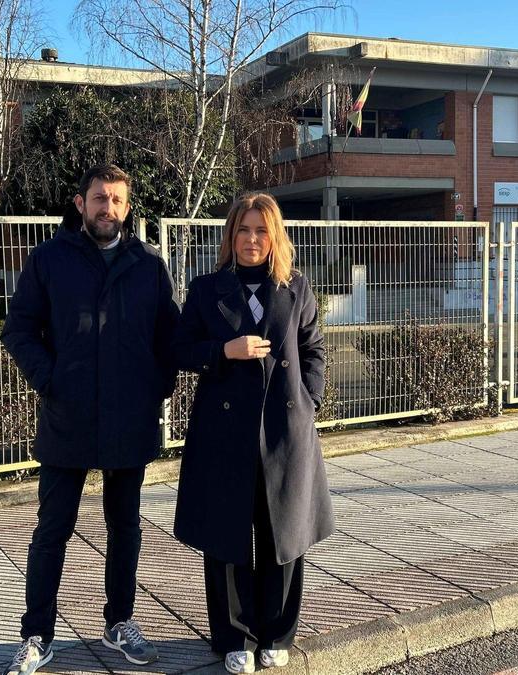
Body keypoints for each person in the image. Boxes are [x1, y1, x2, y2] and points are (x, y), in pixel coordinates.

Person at [0, 164, 179, 675]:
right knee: (51, 530)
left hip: (129, 419)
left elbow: (169, 337)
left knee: (125, 527)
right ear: (80, 203)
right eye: (99, 198)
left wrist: (155, 390)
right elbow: (18, 331)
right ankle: (37, 635)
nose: (108, 208)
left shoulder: (147, 264)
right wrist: (52, 381)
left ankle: (119, 621)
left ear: (127, 206)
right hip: (68, 420)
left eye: (118, 200)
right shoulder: (49, 261)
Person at [171, 192, 334, 674]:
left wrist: (309, 401)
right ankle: (232, 636)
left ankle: (277, 632)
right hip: (224, 433)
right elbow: (180, 350)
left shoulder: (296, 288)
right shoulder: (206, 290)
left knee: (283, 533)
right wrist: (225, 350)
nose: (251, 239)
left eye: (261, 230)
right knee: (227, 536)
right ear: (230, 235)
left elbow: (314, 349)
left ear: (274, 236)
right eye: (243, 229)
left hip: (286, 430)